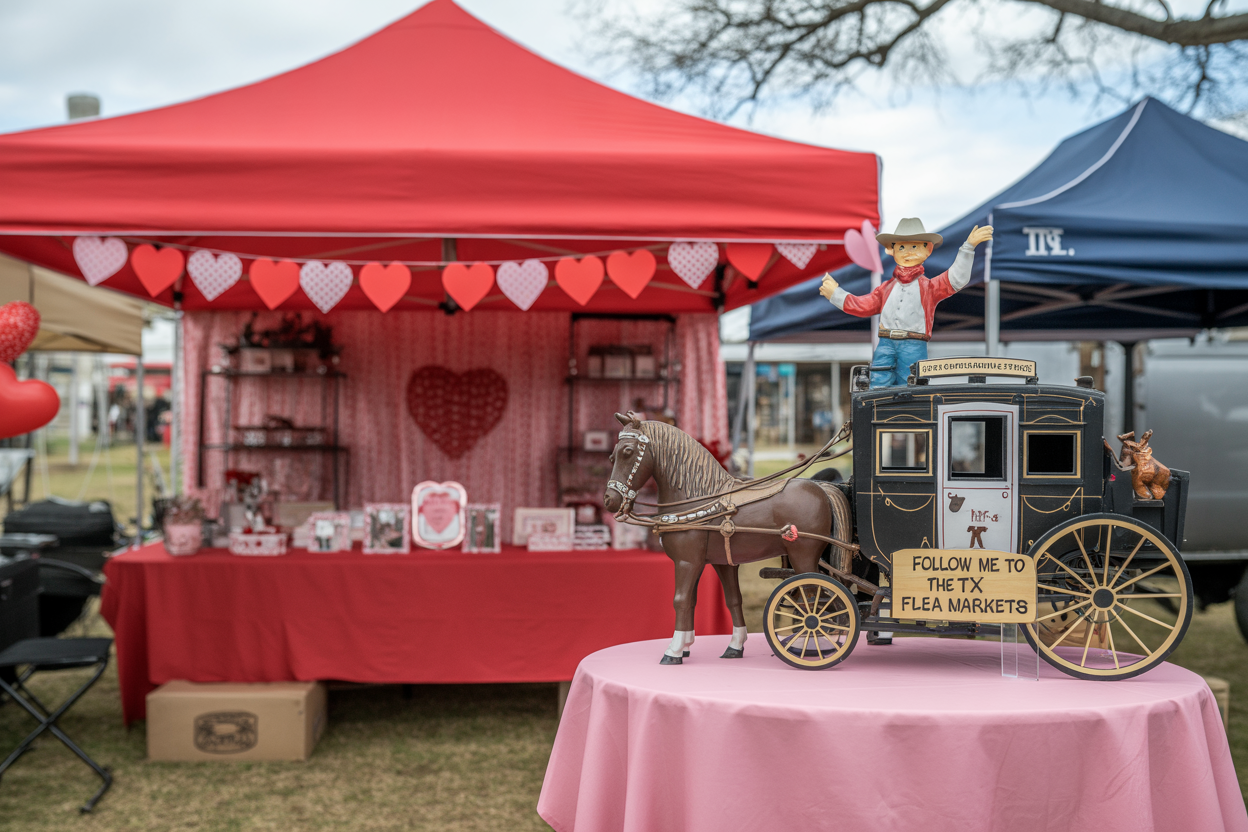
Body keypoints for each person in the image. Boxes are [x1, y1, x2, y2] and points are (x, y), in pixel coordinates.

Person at [820, 218, 993, 388]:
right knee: (878, 385)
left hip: (914, 344)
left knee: (911, 388)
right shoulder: (886, 288)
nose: (908, 252)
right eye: (902, 247)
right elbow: (863, 305)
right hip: (885, 343)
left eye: (914, 247)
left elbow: (955, 278)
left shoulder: (929, 287)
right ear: (892, 250)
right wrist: (836, 294)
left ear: (928, 250)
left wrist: (968, 247)